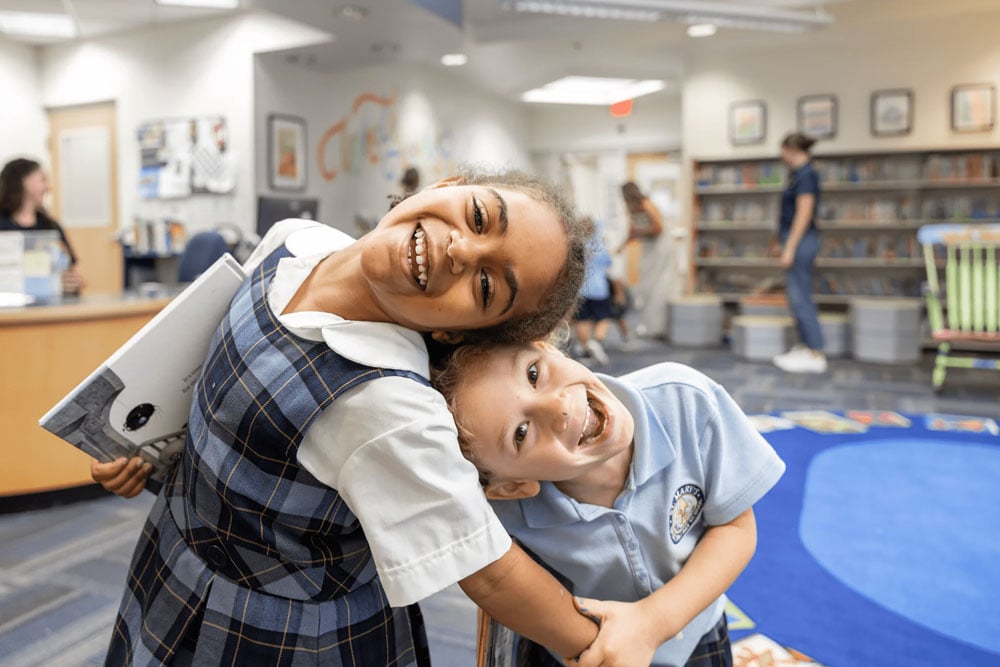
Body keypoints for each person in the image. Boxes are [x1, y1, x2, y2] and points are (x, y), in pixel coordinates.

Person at [90, 168, 606, 666]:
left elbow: (487, 570)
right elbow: (228, 386)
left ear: (459, 332)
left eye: (487, 287)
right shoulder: (298, 241)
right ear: (446, 185)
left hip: (273, 628)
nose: (461, 250)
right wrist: (151, 452)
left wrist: (597, 643)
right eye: (477, 215)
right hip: (180, 548)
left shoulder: (388, 404)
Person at [434, 341, 786, 667]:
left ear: (545, 344)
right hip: (585, 653)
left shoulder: (685, 400)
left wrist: (653, 623)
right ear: (511, 487)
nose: (558, 407)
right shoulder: (498, 515)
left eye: (534, 373)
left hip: (694, 633)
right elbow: (500, 588)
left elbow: (735, 527)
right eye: (521, 433)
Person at [771, 133, 827, 374]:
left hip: (802, 242)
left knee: (801, 297)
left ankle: (815, 352)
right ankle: (806, 346)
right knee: (796, 297)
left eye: (783, 150)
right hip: (795, 241)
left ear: (791, 149)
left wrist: (790, 247)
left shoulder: (806, 175)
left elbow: (803, 214)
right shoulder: (798, 175)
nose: (781, 155)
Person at [0, 158, 85, 294]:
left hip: (46, 311)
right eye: (43, 180)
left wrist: (73, 284)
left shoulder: (50, 226)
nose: (48, 187)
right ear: (25, 182)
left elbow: (72, 269)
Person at [620, 182, 671, 339]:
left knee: (658, 288)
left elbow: (659, 228)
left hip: (660, 247)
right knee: (646, 288)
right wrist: (621, 247)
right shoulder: (631, 209)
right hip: (647, 248)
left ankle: (658, 327)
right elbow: (631, 231)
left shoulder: (647, 205)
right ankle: (649, 326)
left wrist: (640, 232)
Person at [573, 218, 612, 365]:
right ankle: (596, 341)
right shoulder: (599, 246)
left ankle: (586, 347)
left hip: (580, 289)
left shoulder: (576, 246)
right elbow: (608, 264)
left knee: (582, 319)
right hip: (599, 289)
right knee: (603, 317)